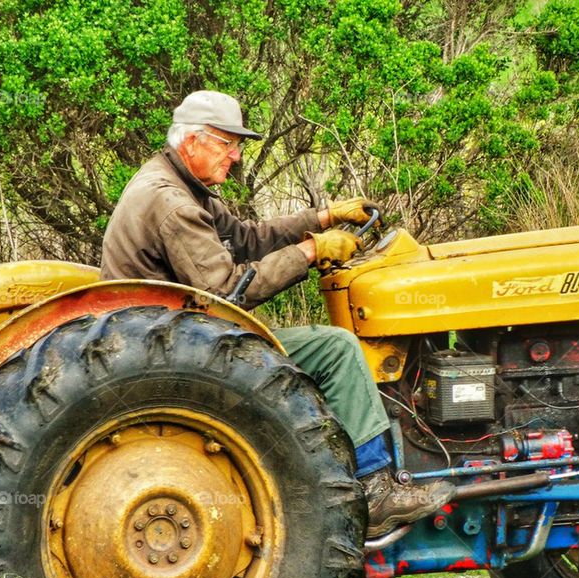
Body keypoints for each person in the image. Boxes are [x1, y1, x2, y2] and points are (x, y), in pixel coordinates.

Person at [101, 90, 453, 537]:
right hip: (174, 346)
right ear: (193, 141)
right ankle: (374, 488)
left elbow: (247, 238)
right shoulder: (175, 204)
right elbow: (227, 290)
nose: (236, 156)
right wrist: (310, 252)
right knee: (337, 350)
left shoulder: (178, 184)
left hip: (167, 333)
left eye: (238, 145)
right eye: (227, 144)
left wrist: (323, 218)